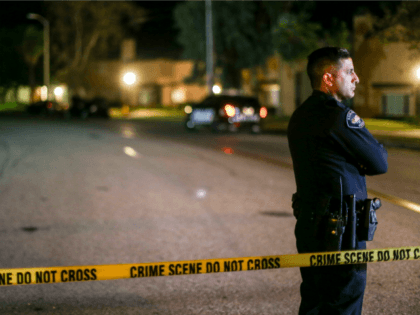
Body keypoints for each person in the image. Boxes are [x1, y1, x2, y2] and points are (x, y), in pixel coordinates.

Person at [287, 47, 388, 314]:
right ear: (329, 79)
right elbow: (379, 161)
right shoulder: (337, 117)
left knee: (314, 300)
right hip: (341, 232)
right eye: (350, 72)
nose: (356, 78)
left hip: (310, 225)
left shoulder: (300, 116)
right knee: (343, 303)